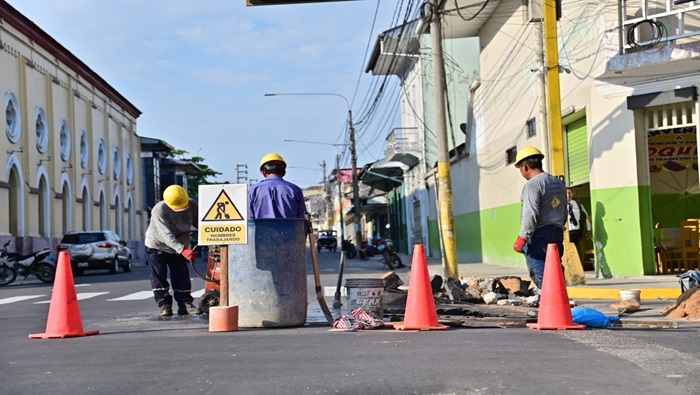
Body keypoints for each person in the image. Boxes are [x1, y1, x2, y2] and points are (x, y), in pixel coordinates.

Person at [512, 147, 567, 294]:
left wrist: (523, 236)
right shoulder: (558, 184)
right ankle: (560, 299)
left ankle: (548, 301)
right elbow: (563, 210)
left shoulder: (532, 184)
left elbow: (530, 212)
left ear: (525, 166)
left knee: (539, 269)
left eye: (520, 168)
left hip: (538, 234)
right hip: (556, 231)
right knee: (555, 268)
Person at [144, 184, 201, 317]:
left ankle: (185, 303)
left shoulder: (192, 205)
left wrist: (209, 240)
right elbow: (165, 234)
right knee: (159, 276)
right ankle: (164, 305)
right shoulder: (159, 209)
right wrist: (183, 250)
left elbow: (200, 223)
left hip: (179, 244)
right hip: (157, 245)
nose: (181, 209)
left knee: (181, 274)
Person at [249, 153, 307, 219]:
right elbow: (302, 219)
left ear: (263, 172)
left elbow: (250, 218)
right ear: (284, 172)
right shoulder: (295, 190)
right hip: (289, 229)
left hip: (261, 229)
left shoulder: (254, 190)